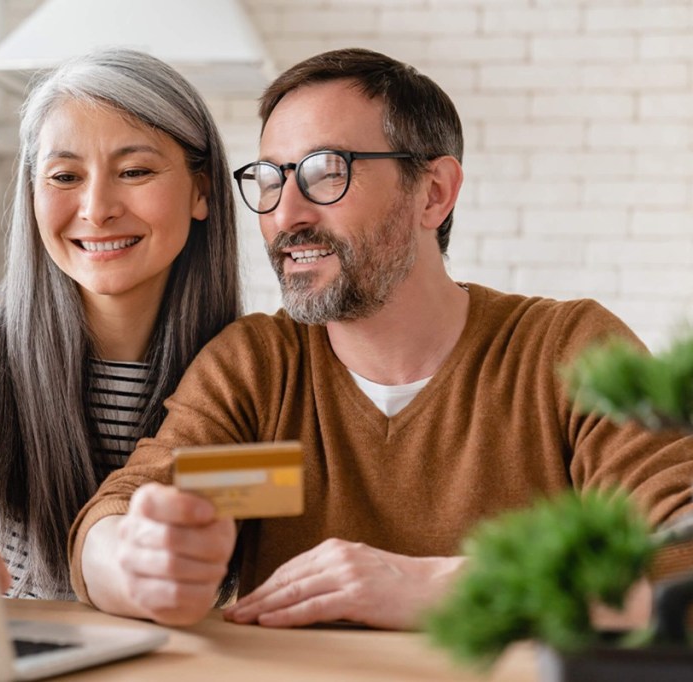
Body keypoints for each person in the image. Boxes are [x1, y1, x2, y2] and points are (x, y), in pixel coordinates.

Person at [67, 47, 693, 628]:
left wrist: (434, 587)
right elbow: (118, 516)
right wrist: (138, 562)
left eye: (325, 172)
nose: (286, 216)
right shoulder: (259, 368)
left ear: (434, 193)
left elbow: (679, 555)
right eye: (271, 179)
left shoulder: (564, 353)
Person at [0, 48, 241, 599]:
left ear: (201, 190)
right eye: (65, 175)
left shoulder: (245, 372)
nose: (96, 207)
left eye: (134, 171)